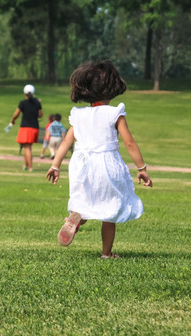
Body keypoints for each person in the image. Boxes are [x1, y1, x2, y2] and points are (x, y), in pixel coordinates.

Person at [46, 61, 153, 258]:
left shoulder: (79, 115)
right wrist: (142, 168)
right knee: (109, 211)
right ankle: (106, 253)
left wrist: (55, 166)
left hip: (82, 166)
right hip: (107, 166)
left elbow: (65, 143)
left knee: (85, 203)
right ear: (111, 88)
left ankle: (76, 218)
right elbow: (129, 143)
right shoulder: (114, 113)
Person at [6, 84, 43, 171]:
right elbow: (40, 115)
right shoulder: (38, 102)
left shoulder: (23, 103)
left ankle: (30, 167)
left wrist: (12, 120)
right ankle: (25, 165)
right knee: (27, 146)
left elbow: (16, 114)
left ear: (24, 93)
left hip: (25, 127)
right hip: (35, 127)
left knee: (27, 148)